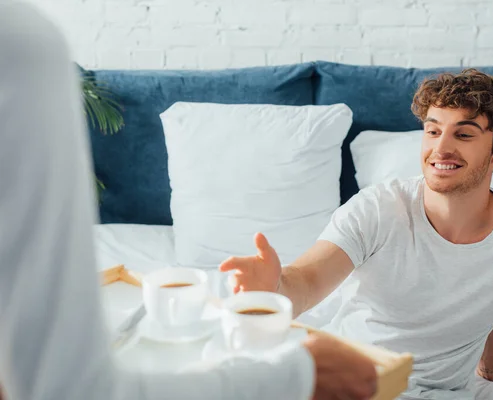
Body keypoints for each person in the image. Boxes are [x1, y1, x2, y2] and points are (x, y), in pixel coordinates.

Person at [0, 2, 377, 400]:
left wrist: (277, 288)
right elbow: (64, 390)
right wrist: (297, 378)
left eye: (455, 132)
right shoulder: (19, 46)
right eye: (432, 129)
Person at [220, 68, 493, 399]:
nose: (440, 148)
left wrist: (492, 369)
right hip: (351, 382)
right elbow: (307, 281)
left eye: (464, 134)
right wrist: (273, 288)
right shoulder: (378, 208)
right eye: (432, 130)